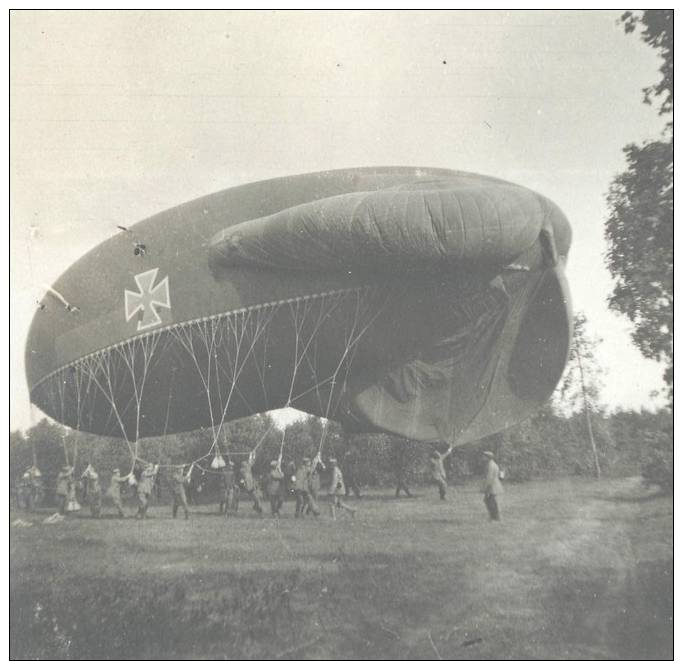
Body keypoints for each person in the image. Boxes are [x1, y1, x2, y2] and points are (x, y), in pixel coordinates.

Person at [482, 451, 503, 521]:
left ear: (488, 457)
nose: (482, 458)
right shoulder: (492, 464)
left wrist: (487, 487)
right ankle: (494, 516)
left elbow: (489, 477)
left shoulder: (490, 465)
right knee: (489, 501)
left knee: (490, 501)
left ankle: (495, 516)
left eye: (484, 456)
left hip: (492, 485)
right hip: (493, 484)